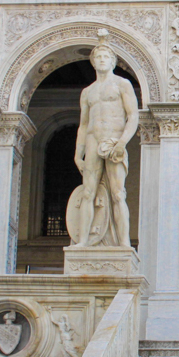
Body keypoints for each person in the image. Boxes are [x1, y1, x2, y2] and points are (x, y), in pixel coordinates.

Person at [73, 29, 139, 247]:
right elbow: (83, 125)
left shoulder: (122, 84)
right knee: (88, 192)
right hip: (92, 141)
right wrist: (77, 153)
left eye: (106, 57)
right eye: (98, 57)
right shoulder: (87, 91)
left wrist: (122, 143)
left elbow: (133, 117)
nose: (102, 60)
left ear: (112, 62)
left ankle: (124, 244)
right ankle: (83, 241)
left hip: (113, 142)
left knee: (118, 194)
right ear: (93, 63)